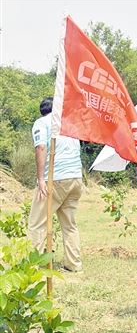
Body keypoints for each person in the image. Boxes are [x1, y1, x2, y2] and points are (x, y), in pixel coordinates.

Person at [28, 97, 84, 272]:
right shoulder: (69, 124)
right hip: (75, 178)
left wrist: (40, 179)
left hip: (56, 179)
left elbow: (41, 148)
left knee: (37, 223)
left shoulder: (42, 122)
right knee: (69, 225)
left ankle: (33, 267)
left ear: (42, 111)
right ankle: (73, 265)